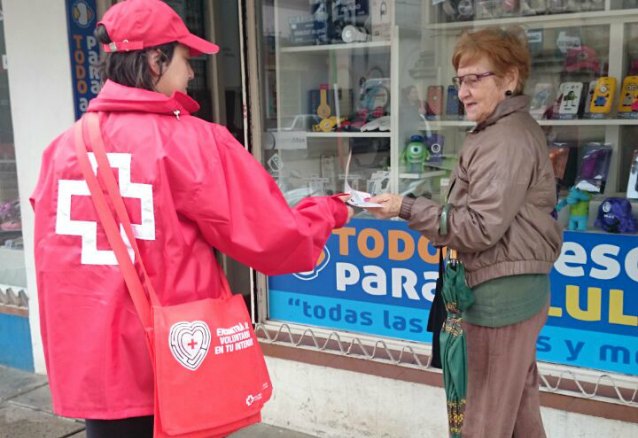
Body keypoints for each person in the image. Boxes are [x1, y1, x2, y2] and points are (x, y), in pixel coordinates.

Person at [30, 1, 353, 437]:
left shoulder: (62, 148)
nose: (191, 73)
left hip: (96, 366)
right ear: (154, 59)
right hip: (174, 359)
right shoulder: (194, 143)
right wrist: (331, 211)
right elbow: (273, 237)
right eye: (185, 59)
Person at [366, 26, 562, 437]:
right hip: (511, 292)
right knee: (517, 407)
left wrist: (405, 207)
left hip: (500, 299)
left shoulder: (504, 139)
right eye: (460, 80)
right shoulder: (500, 131)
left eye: (477, 78)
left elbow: (476, 229)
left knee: (486, 418)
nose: (464, 91)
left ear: (510, 79)